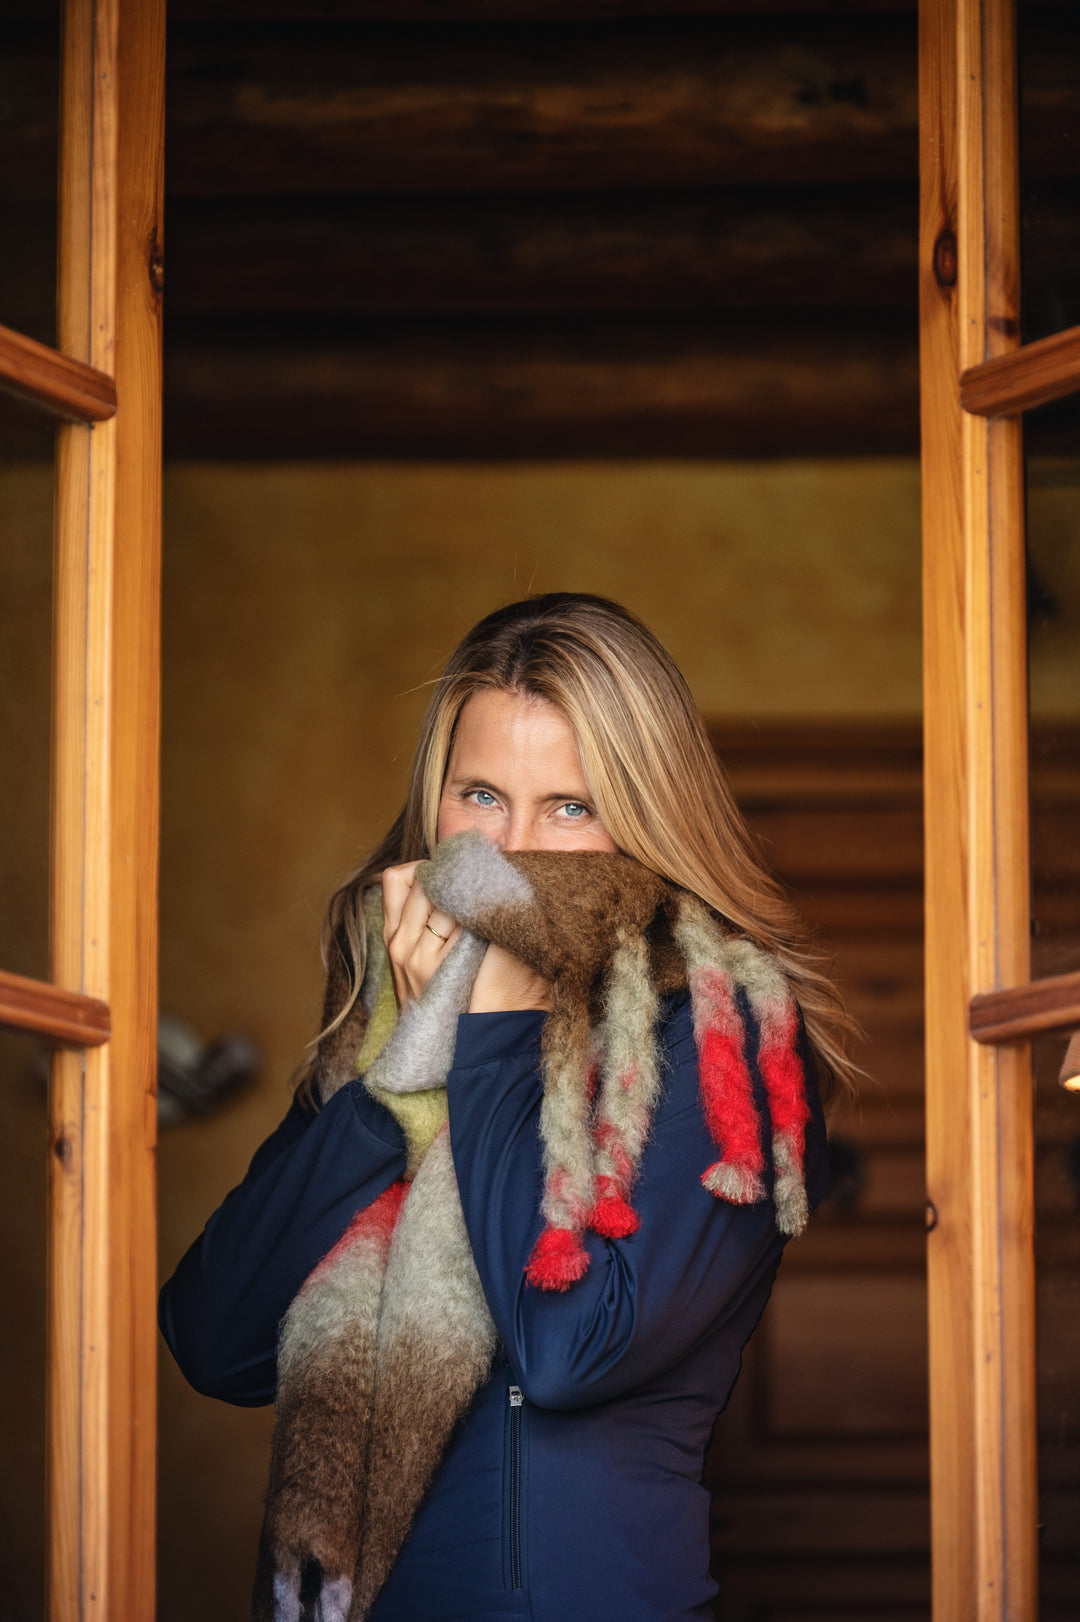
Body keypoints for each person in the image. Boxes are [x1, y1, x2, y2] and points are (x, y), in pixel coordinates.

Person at [159, 593, 856, 1622]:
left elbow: (570, 1349)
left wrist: (488, 1039)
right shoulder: (391, 1025)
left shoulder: (713, 1026)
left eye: (570, 805)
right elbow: (217, 1338)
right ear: (432, 806)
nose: (511, 849)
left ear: (649, 816)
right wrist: (401, 1073)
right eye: (481, 796)